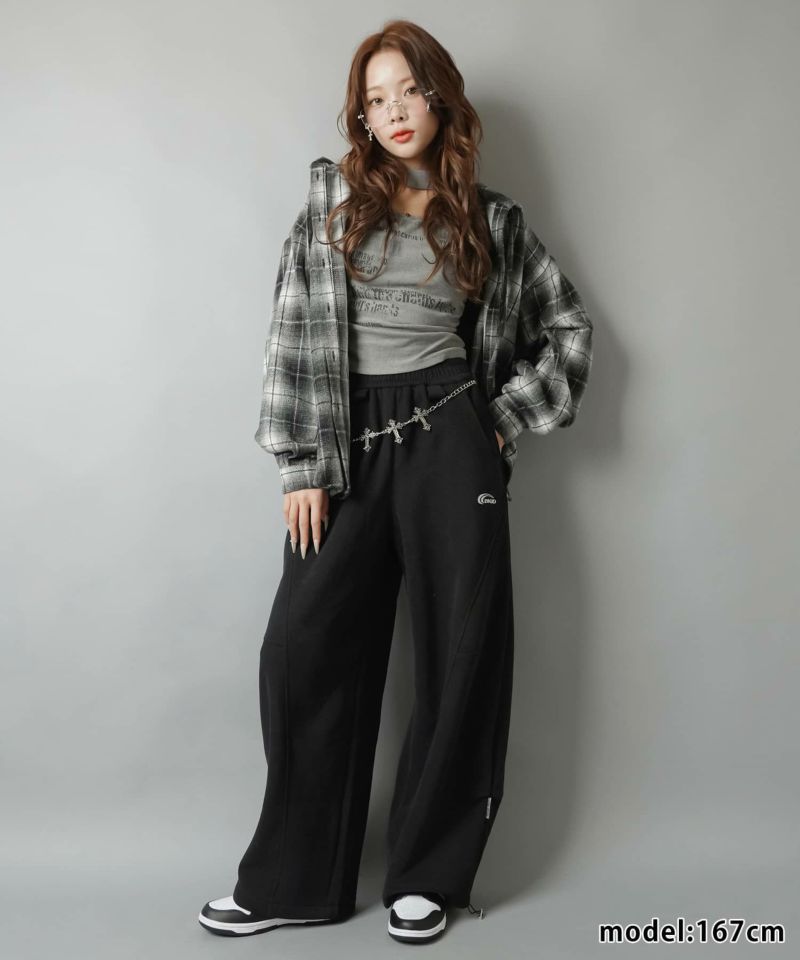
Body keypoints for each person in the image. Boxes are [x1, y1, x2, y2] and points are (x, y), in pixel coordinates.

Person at [198, 18, 593, 945]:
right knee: (303, 650)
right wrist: (304, 463)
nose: (393, 111)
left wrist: (499, 419)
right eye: (375, 100)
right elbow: (292, 328)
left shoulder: (492, 220)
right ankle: (294, 881)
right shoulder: (332, 203)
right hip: (347, 441)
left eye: (407, 90)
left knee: (462, 652)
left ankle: (428, 876)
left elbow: (568, 331)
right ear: (362, 119)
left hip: (452, 438)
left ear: (439, 96)